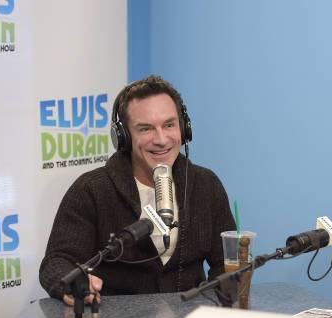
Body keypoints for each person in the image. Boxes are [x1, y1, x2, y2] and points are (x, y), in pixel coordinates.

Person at [40, 75, 236, 305]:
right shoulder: (91, 190)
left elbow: (226, 263)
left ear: (184, 129)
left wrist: (216, 310)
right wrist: (74, 282)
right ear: (123, 137)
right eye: (146, 129)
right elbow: (56, 262)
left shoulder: (206, 184)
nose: (161, 139)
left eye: (169, 125)